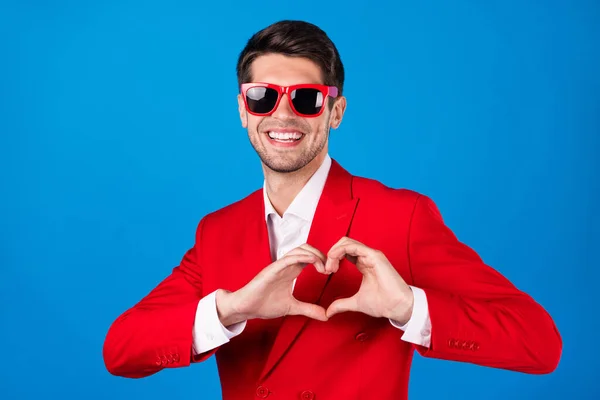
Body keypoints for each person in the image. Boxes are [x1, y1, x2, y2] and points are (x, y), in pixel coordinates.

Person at [102, 19, 562, 400]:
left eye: (306, 98)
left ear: (335, 111)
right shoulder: (218, 231)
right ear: (243, 109)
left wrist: (408, 307)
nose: (283, 116)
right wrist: (231, 309)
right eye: (263, 97)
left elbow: (538, 342)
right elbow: (121, 351)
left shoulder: (401, 217)